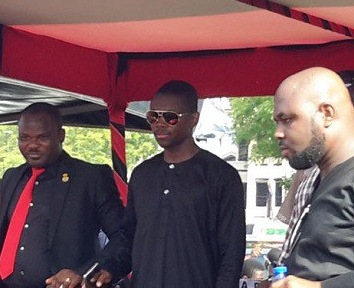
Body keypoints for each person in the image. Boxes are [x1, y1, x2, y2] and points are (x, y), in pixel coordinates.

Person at [0, 102, 124, 288]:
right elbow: (2, 236)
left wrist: (84, 273)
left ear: (61, 135)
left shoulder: (90, 177)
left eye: (42, 138)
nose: (32, 145)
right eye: (24, 138)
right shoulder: (13, 177)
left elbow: (122, 237)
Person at [92, 81, 246, 288]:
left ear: (193, 119)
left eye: (170, 117)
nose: (159, 123)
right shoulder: (143, 174)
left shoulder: (221, 176)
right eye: (153, 116)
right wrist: (108, 268)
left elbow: (232, 251)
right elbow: (129, 237)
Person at [271, 67, 354, 288]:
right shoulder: (317, 179)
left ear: (326, 114)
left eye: (288, 119)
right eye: (277, 122)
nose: (278, 133)